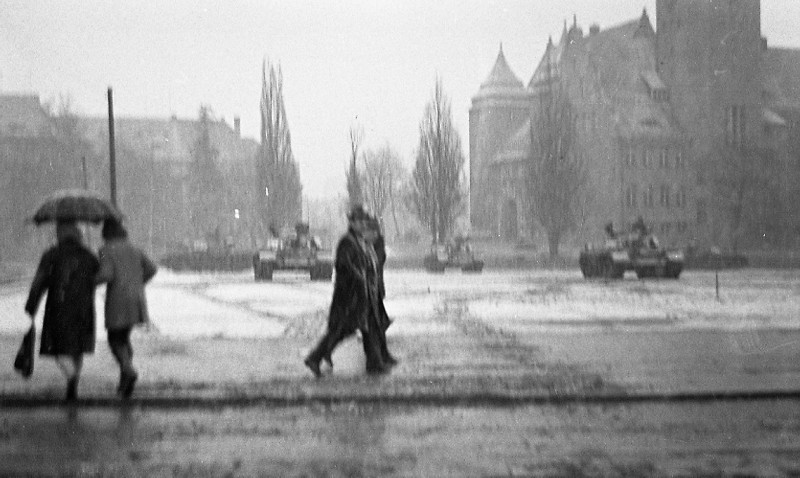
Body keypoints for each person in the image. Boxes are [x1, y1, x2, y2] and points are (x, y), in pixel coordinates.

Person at [304, 205, 388, 377]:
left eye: (364, 221)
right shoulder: (347, 241)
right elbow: (344, 265)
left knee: (367, 328)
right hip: (349, 296)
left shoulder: (359, 241)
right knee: (343, 330)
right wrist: (359, 277)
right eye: (360, 221)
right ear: (352, 222)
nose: (363, 224)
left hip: (362, 295)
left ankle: (375, 363)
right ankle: (315, 357)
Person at [25, 221, 99, 401]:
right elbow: (98, 274)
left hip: (59, 306)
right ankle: (73, 382)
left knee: (59, 347)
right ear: (78, 235)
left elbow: (39, 281)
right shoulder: (88, 255)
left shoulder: (51, 255)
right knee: (77, 347)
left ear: (59, 235)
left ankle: (71, 379)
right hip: (84, 308)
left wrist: (31, 305)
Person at [95, 218, 158, 398]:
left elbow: (106, 274)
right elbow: (152, 268)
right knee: (124, 337)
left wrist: (90, 282)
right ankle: (124, 383)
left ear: (106, 234)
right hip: (136, 299)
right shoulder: (134, 249)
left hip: (117, 300)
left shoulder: (106, 250)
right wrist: (138, 281)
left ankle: (127, 369)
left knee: (114, 338)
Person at [364, 217, 398, 367]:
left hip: (373, 289)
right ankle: (376, 359)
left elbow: (376, 266)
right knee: (374, 325)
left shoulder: (375, 245)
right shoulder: (367, 246)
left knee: (378, 323)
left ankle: (381, 356)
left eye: (369, 231)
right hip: (368, 290)